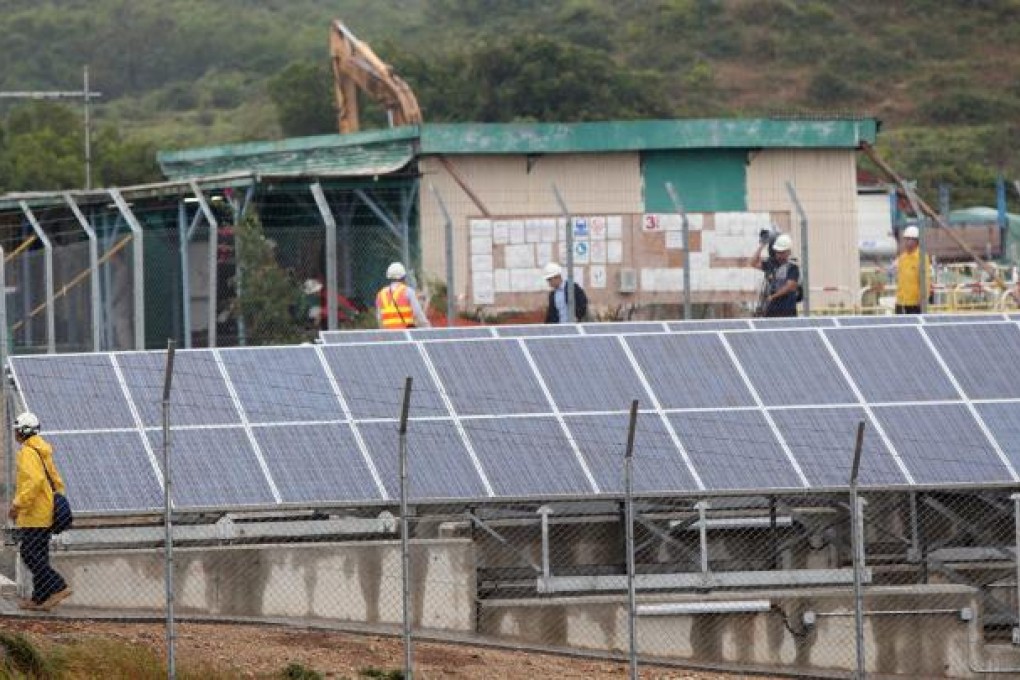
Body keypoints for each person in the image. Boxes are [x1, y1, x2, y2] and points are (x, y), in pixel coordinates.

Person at [8, 412, 72, 611]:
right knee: (40, 556)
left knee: (28, 553)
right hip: (45, 511)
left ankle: (58, 586)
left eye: (17, 430)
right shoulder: (42, 450)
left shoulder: (28, 452)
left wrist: (17, 504)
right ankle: (39, 599)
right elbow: (57, 483)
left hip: (34, 514)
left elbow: (34, 481)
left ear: (22, 432)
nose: (15, 433)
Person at [748, 233, 800, 317]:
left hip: (787, 310)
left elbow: (790, 286)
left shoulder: (792, 267)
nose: (779, 254)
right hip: (772, 309)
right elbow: (753, 263)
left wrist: (773, 296)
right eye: (777, 252)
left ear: (788, 252)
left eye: (782, 252)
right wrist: (762, 245)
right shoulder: (771, 264)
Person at [375, 262, 430, 329]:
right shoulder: (408, 291)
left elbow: (379, 318)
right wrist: (427, 327)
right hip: (406, 334)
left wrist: (384, 335)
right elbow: (417, 313)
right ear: (403, 277)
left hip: (389, 335)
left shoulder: (381, 294)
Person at [894, 225, 931, 314]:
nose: (908, 242)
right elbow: (901, 280)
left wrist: (922, 299)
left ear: (917, 241)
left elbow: (925, 280)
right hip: (901, 302)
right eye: (907, 239)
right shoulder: (902, 258)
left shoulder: (922, 257)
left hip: (915, 303)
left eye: (911, 239)